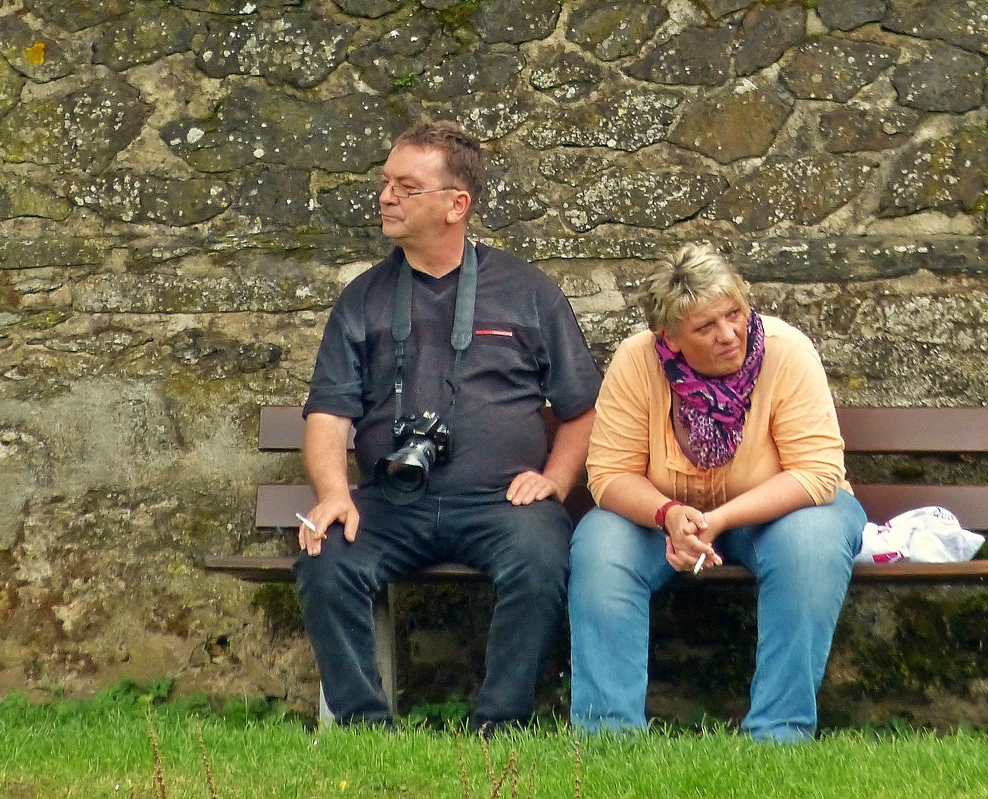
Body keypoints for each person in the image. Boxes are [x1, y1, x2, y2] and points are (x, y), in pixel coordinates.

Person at [294, 120, 601, 732]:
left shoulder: (529, 292)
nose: (386, 197)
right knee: (322, 557)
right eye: (385, 183)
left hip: (501, 504)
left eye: (406, 186)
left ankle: (500, 725)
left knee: (542, 560)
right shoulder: (363, 298)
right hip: (391, 502)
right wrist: (332, 494)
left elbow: (584, 407)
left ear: (457, 205)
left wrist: (556, 481)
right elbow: (329, 412)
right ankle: (364, 729)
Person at [568, 243, 865, 743]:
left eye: (735, 314)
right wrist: (667, 514)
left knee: (813, 543)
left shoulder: (787, 350)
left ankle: (780, 733)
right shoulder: (637, 361)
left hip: (776, 513)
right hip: (666, 517)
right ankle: (606, 736)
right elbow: (608, 474)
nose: (729, 334)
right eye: (706, 327)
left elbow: (817, 471)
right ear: (671, 338)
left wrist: (720, 518)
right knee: (600, 544)